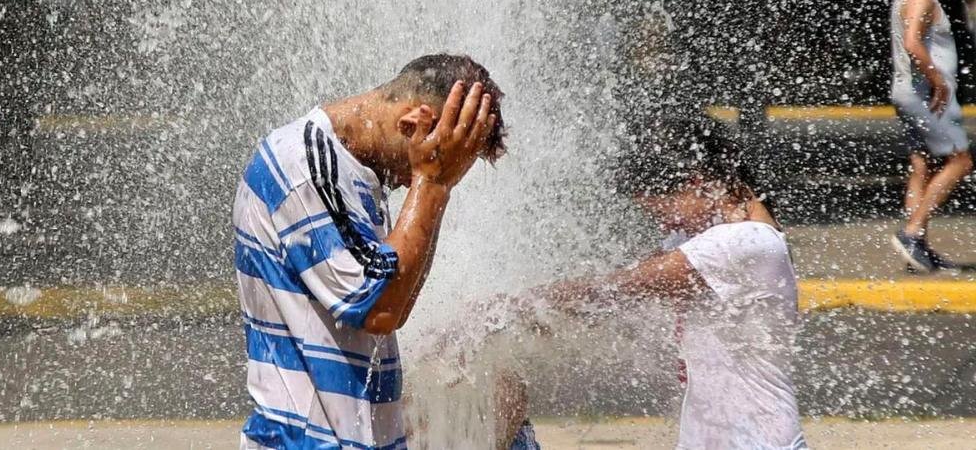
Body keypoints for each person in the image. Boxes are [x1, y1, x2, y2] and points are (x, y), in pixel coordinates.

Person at [232, 54, 506, 449]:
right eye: (448, 159)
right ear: (413, 125)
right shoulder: (305, 166)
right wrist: (431, 182)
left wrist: (434, 184)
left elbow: (399, 303)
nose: (438, 173)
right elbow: (379, 307)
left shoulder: (356, 174)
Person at [532, 115, 807, 450]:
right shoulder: (714, 237)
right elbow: (609, 293)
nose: (664, 228)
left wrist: (517, 305)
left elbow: (618, 286)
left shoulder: (746, 243)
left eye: (662, 214)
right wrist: (549, 314)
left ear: (695, 183)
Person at [889, 0, 974, 272]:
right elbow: (912, 43)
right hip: (925, 95)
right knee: (960, 161)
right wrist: (938, 79)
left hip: (909, 93)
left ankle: (916, 249)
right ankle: (912, 233)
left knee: (922, 166)